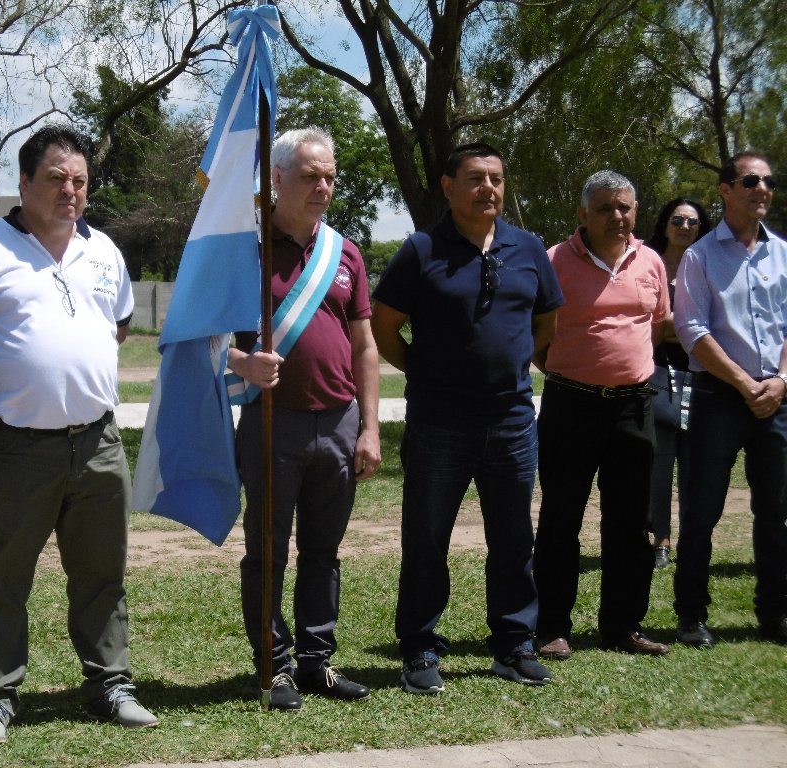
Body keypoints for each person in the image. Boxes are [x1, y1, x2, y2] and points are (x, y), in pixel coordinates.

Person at [0, 124, 156, 744]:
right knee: (2, 578)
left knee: (102, 574)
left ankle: (111, 683)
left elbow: (117, 327)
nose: (70, 191)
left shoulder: (104, 252)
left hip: (98, 444)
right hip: (16, 447)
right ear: (25, 181)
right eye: (56, 178)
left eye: (79, 180)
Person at [371, 142, 563, 692]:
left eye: (496, 178)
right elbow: (384, 326)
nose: (488, 188)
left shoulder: (528, 248)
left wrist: (512, 365)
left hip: (512, 422)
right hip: (439, 424)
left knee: (514, 538)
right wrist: (425, 372)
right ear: (448, 186)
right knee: (427, 539)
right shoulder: (422, 249)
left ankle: (514, 645)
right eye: (476, 178)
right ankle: (419, 650)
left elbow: (545, 324)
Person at [228, 126, 380, 711]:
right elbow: (200, 339)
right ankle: (275, 668)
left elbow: (365, 346)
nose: (323, 186)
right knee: (268, 552)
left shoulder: (346, 253)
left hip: (339, 421)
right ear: (277, 178)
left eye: (330, 177)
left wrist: (370, 427)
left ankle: (317, 662)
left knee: (324, 551)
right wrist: (242, 362)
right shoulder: (244, 249)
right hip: (273, 422)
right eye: (311, 176)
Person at [533, 170, 671, 660]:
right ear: (583, 215)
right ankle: (551, 627)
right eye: (606, 208)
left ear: (636, 211)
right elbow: (537, 335)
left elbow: (655, 327)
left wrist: (622, 368)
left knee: (631, 521)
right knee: (560, 517)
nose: (617, 216)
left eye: (625, 207)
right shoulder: (554, 260)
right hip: (570, 404)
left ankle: (623, 626)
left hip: (634, 407)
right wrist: (575, 370)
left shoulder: (651, 261)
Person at [673, 152, 787, 648]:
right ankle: (691, 616)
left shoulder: (783, 254)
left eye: (769, 182)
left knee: (776, 510)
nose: (763, 189)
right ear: (725, 190)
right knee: (702, 511)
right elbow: (692, 330)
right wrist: (744, 383)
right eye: (751, 180)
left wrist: (781, 380)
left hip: (777, 397)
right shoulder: (700, 256)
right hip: (720, 396)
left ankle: (776, 613)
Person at [645, 199, 712, 568]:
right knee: (659, 465)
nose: (685, 226)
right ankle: (661, 541)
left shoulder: (708, 266)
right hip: (656, 376)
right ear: (665, 224)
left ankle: (691, 541)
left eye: (693, 221)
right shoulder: (650, 263)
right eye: (677, 219)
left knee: (695, 466)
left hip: (703, 376)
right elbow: (649, 324)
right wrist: (687, 328)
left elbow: (713, 324)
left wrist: (677, 327)